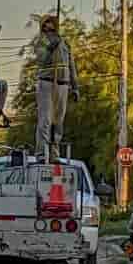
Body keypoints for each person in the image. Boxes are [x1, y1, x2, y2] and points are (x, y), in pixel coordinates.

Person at [34, 14, 79, 158]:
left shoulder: (64, 43)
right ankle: (42, 152)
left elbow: (71, 66)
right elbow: (41, 61)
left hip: (63, 85)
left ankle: (54, 152)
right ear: (42, 26)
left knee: (58, 121)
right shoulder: (41, 42)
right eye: (46, 22)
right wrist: (49, 49)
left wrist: (75, 87)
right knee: (45, 120)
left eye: (51, 22)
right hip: (47, 83)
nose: (49, 25)